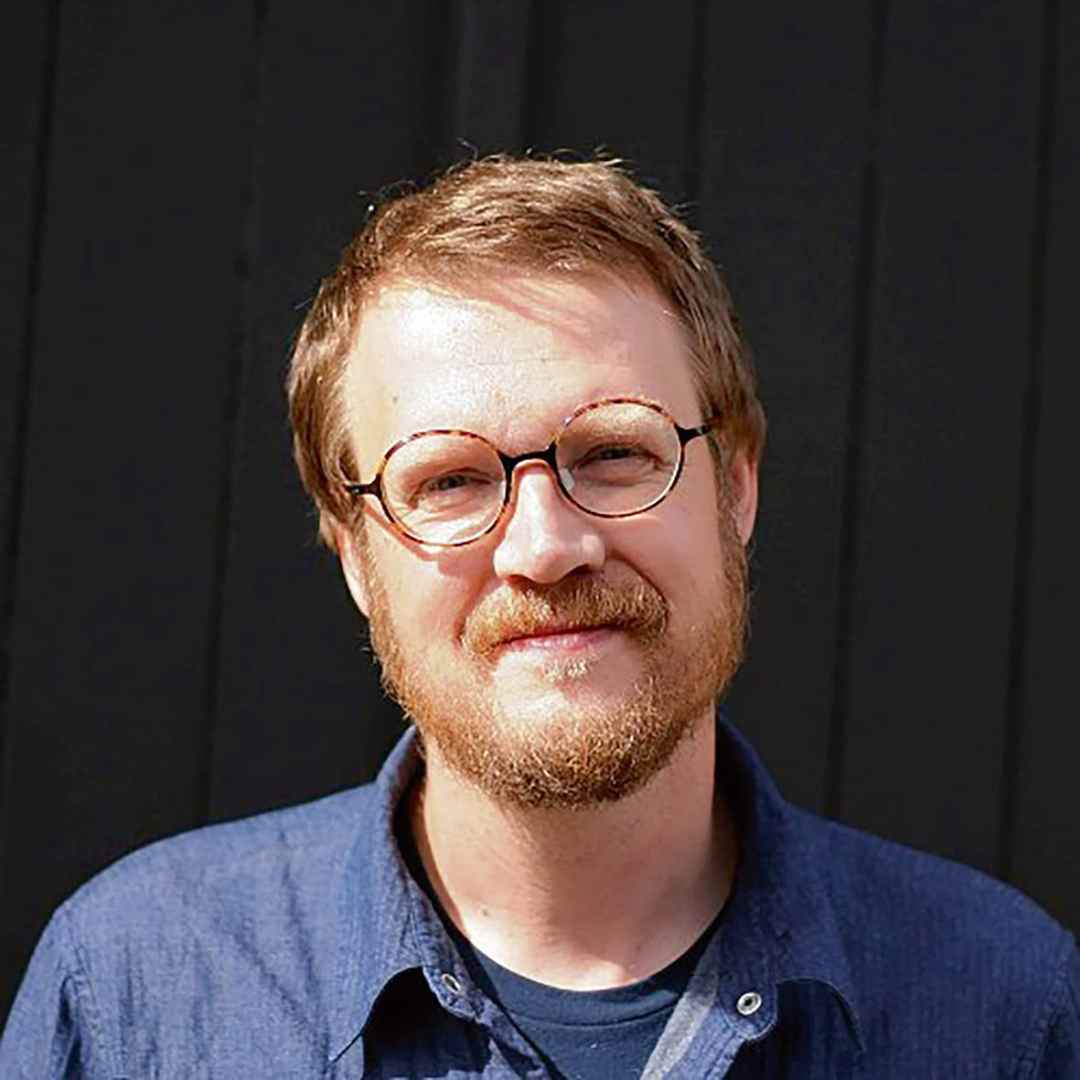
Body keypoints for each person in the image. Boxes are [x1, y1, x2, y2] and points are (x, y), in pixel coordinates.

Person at [2, 156, 1076, 1078]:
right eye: (451, 482)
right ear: (356, 555)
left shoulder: (1002, 1009)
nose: (545, 547)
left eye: (615, 453)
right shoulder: (138, 992)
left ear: (735, 489)